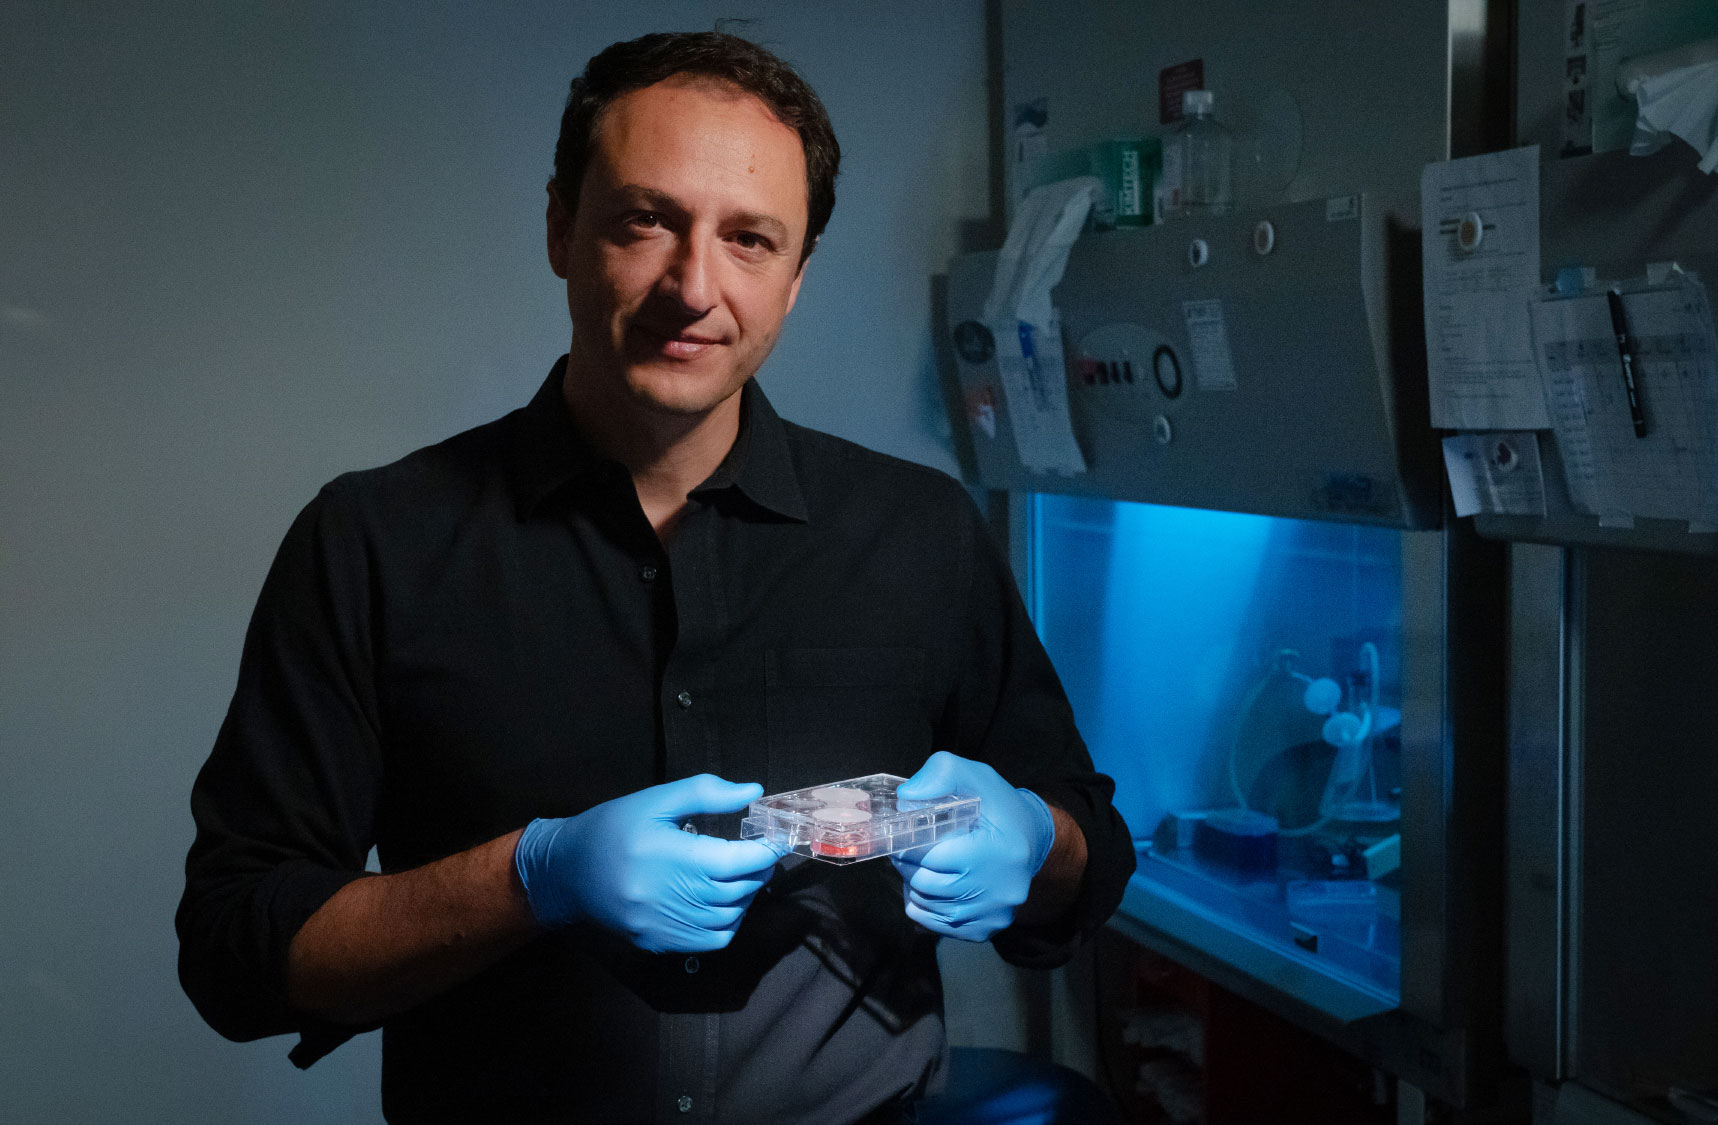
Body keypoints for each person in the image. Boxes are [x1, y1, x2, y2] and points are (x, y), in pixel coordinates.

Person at [177, 31, 1133, 1124]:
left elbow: (1089, 856)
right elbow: (238, 949)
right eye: (646, 221)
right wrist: (531, 878)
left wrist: (1038, 841)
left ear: (796, 277)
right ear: (560, 228)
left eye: (751, 240)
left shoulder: (918, 533)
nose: (695, 286)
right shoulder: (372, 542)